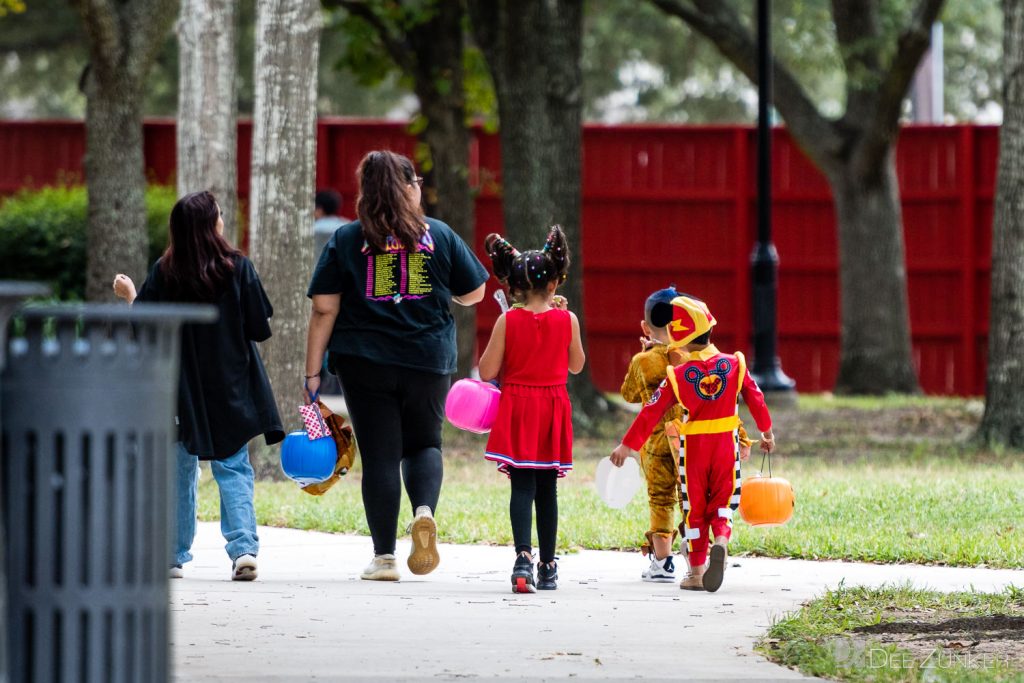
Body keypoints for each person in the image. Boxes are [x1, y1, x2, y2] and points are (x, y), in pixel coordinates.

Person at [304, 150, 488, 582]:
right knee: (425, 444)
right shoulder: (438, 235)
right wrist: (450, 293)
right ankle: (423, 511)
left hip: (364, 362)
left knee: (382, 456)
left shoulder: (347, 238)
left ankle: (384, 558)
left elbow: (324, 310)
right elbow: (476, 292)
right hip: (427, 359)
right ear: (409, 188)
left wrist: (312, 373)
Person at [112, 190, 284, 582]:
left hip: (180, 389)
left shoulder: (165, 271)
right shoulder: (238, 268)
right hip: (232, 386)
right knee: (234, 466)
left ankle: (173, 555)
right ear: (211, 224)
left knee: (179, 470)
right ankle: (244, 551)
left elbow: (147, 327)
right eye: (219, 214)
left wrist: (130, 296)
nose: (223, 219)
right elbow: (260, 326)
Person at [611, 295, 774, 593]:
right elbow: (757, 398)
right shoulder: (734, 364)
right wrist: (765, 432)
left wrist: (627, 445)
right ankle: (722, 539)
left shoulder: (678, 376)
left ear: (681, 340)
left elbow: (651, 412)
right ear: (711, 329)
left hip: (694, 449)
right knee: (723, 502)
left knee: (695, 507)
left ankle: (697, 573)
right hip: (725, 445)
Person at [478, 226, 586, 594]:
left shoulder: (507, 321)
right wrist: (566, 325)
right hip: (552, 408)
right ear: (554, 284)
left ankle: (522, 558)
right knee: (548, 490)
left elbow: (488, 370)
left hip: (519, 408)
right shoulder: (567, 320)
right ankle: (549, 565)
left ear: (515, 287)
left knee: (522, 487)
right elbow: (576, 366)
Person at [312, 189, 350, 396]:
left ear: (319, 209)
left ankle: (318, 376)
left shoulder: (312, 230)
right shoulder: (347, 228)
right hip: (345, 291)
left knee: (320, 332)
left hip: (318, 289)